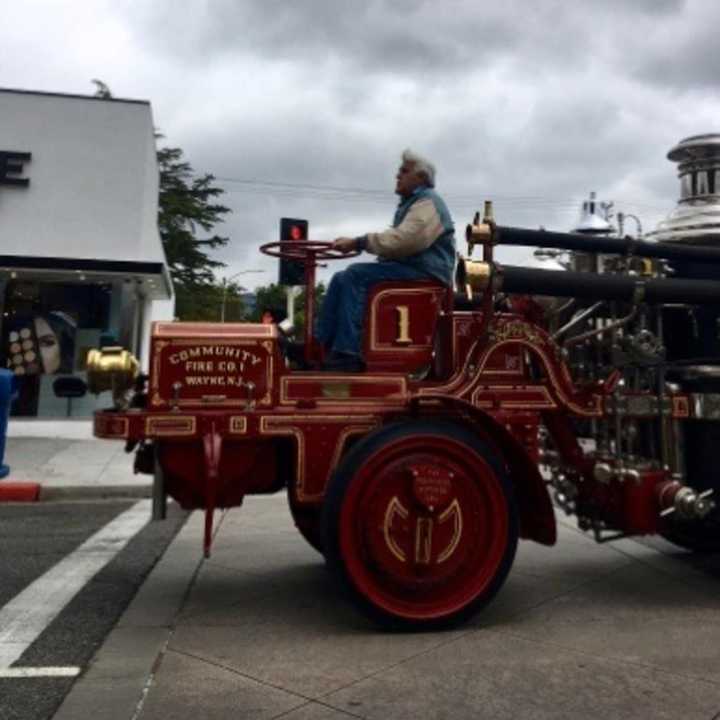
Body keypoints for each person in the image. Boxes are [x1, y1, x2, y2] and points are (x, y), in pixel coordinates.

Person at [316, 149, 455, 371]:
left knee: (354, 275)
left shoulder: (428, 204)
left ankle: (348, 352)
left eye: (403, 171)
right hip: (413, 268)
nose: (397, 176)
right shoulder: (416, 203)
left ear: (420, 177)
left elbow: (403, 241)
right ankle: (320, 344)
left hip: (426, 273)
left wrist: (359, 242)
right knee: (341, 277)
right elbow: (399, 243)